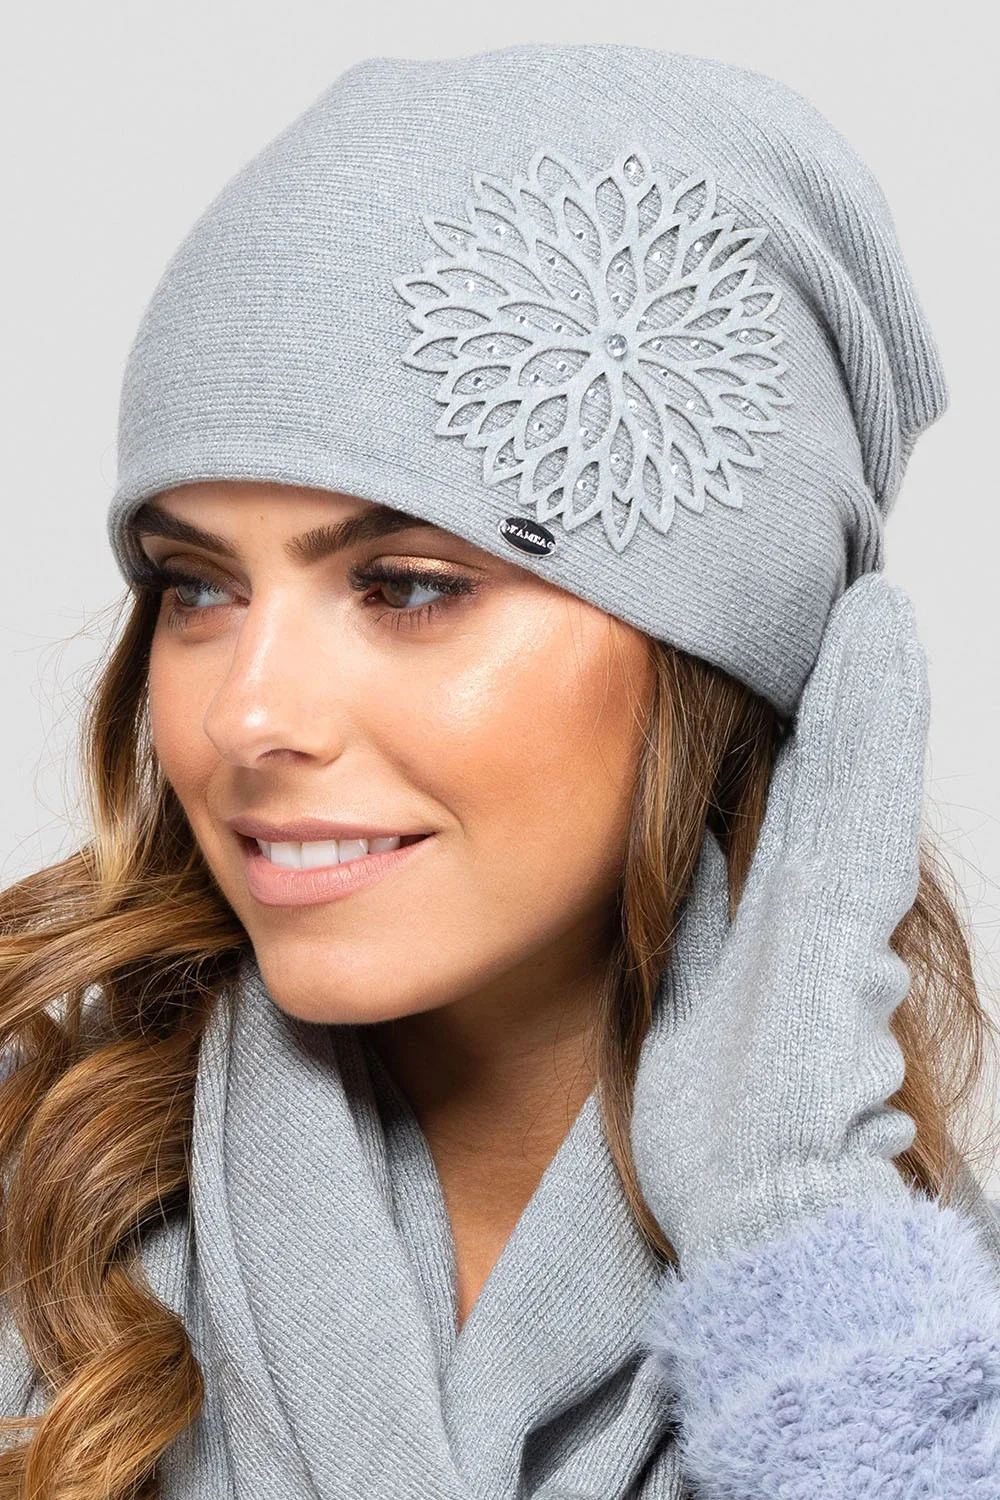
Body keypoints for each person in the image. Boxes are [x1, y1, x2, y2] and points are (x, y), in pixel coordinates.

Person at [2, 39, 1000, 1500]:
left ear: (717, 656)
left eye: (407, 586)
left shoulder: (925, 1365)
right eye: (196, 587)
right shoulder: (39, 1229)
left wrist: (795, 1240)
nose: (245, 714)